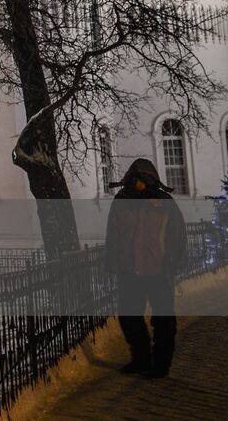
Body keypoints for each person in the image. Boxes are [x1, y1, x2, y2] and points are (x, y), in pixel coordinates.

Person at [104, 158, 186, 377]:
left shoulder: (163, 202)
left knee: (164, 320)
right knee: (129, 317)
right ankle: (140, 359)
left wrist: (172, 263)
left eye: (139, 179)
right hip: (129, 270)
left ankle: (160, 365)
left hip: (157, 269)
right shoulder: (122, 201)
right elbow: (113, 234)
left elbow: (177, 236)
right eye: (133, 179)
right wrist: (112, 261)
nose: (135, 183)